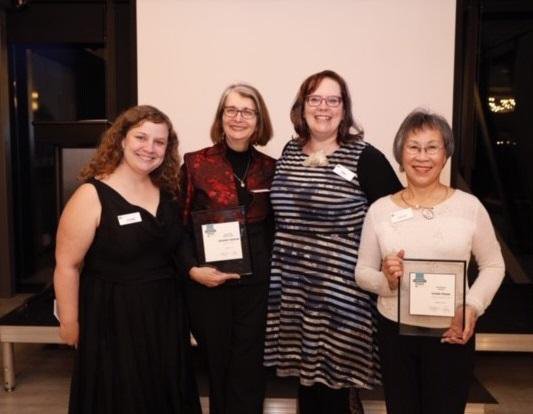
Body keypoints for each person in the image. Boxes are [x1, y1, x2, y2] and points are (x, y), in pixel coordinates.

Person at [264, 70, 402, 414]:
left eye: (333, 99)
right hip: (294, 287)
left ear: (344, 108)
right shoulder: (290, 151)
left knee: (335, 384)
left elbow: (395, 215)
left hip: (341, 292)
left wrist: (390, 262)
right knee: (306, 381)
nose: (323, 107)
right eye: (315, 99)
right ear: (302, 106)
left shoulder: (364, 156)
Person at [355, 109, 505, 414]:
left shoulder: (469, 207)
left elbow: (493, 265)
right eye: (413, 147)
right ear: (401, 153)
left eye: (432, 147)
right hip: (396, 333)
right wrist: (386, 279)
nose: (422, 157)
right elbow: (362, 272)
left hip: (451, 332)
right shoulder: (380, 210)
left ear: (445, 152)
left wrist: (472, 306)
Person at [53, 105, 201, 414]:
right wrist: (69, 323)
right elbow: (67, 266)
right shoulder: (92, 195)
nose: (149, 148)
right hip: (112, 319)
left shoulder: (167, 191)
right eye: (141, 137)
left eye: (159, 142)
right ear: (121, 140)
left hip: (165, 315)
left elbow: (176, 250)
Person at [179, 83, 275, 414]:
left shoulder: (270, 167)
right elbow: (179, 227)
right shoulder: (195, 164)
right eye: (231, 110)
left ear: (259, 119)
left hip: (257, 286)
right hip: (211, 283)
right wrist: (193, 269)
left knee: (250, 369)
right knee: (217, 368)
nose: (238, 118)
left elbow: (275, 228)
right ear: (221, 117)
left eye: (247, 111)